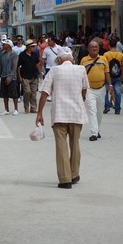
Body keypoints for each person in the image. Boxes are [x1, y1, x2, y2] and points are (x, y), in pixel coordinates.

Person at [36, 47, 89, 189]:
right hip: (77, 114)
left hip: (59, 114)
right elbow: (84, 91)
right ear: (71, 58)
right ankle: (74, 174)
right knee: (75, 144)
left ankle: (65, 180)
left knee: (61, 147)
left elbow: (44, 93)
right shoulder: (81, 69)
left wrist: (39, 113)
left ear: (59, 59)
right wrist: (78, 102)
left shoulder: (54, 70)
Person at [80, 41, 113, 141]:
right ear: (88, 49)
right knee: (92, 111)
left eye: (96, 47)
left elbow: (106, 72)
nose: (94, 48)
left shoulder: (103, 59)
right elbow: (81, 75)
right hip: (89, 89)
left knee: (99, 112)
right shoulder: (84, 60)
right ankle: (93, 133)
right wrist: (82, 89)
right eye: (92, 47)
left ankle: (97, 130)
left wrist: (110, 85)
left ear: (98, 49)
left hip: (101, 88)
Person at [103, 37, 123, 115]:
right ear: (116, 45)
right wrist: (122, 75)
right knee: (118, 92)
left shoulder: (106, 54)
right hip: (117, 76)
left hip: (108, 76)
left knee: (105, 92)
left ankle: (107, 106)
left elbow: (104, 66)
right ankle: (117, 109)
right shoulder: (120, 54)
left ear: (109, 46)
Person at [18, 39, 41, 113]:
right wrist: (19, 76)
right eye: (32, 47)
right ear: (28, 47)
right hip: (25, 76)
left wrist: (40, 74)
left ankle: (33, 108)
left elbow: (37, 64)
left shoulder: (34, 55)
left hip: (34, 76)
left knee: (34, 93)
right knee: (27, 92)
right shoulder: (22, 55)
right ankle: (26, 106)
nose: (34, 48)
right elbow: (18, 66)